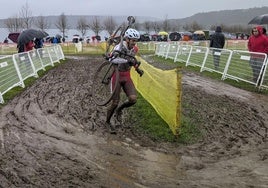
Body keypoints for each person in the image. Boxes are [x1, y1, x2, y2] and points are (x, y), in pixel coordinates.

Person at [105, 28, 142, 133]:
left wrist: (137, 68)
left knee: (133, 99)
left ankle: (119, 110)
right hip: (116, 75)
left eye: (136, 40)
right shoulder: (119, 47)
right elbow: (110, 58)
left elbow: (132, 60)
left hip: (126, 76)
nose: (134, 43)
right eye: (132, 40)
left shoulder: (135, 49)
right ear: (127, 39)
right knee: (115, 102)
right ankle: (107, 122)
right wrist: (113, 56)